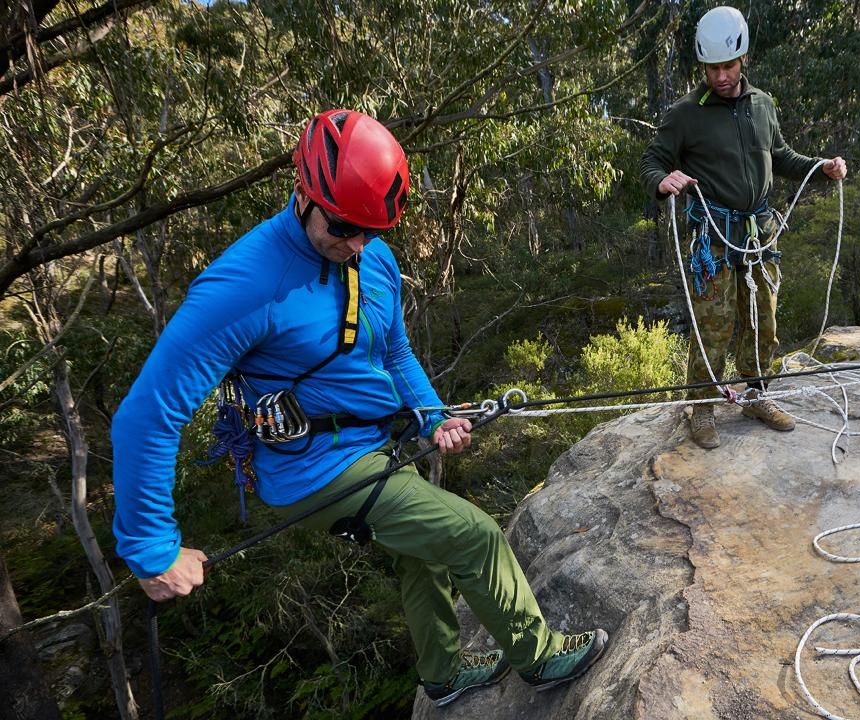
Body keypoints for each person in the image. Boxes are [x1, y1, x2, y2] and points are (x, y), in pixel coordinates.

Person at [110, 109, 607, 707]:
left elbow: (394, 351)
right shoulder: (245, 283)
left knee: (424, 553)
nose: (354, 245)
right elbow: (148, 413)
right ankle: (542, 659)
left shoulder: (375, 258)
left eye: (369, 231)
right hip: (312, 467)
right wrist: (151, 548)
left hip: (372, 444)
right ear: (304, 192)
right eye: (342, 227)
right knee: (475, 537)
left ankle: (443, 677)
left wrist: (432, 415)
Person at [640, 6, 848, 450]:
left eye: (728, 66)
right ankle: (700, 408)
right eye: (712, 68)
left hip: (759, 233)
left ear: (743, 59)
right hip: (714, 236)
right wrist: (662, 180)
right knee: (712, 324)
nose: (720, 76)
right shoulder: (685, 115)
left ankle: (756, 396)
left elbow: (782, 156)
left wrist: (822, 167)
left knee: (763, 321)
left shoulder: (763, 104)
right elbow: (652, 160)